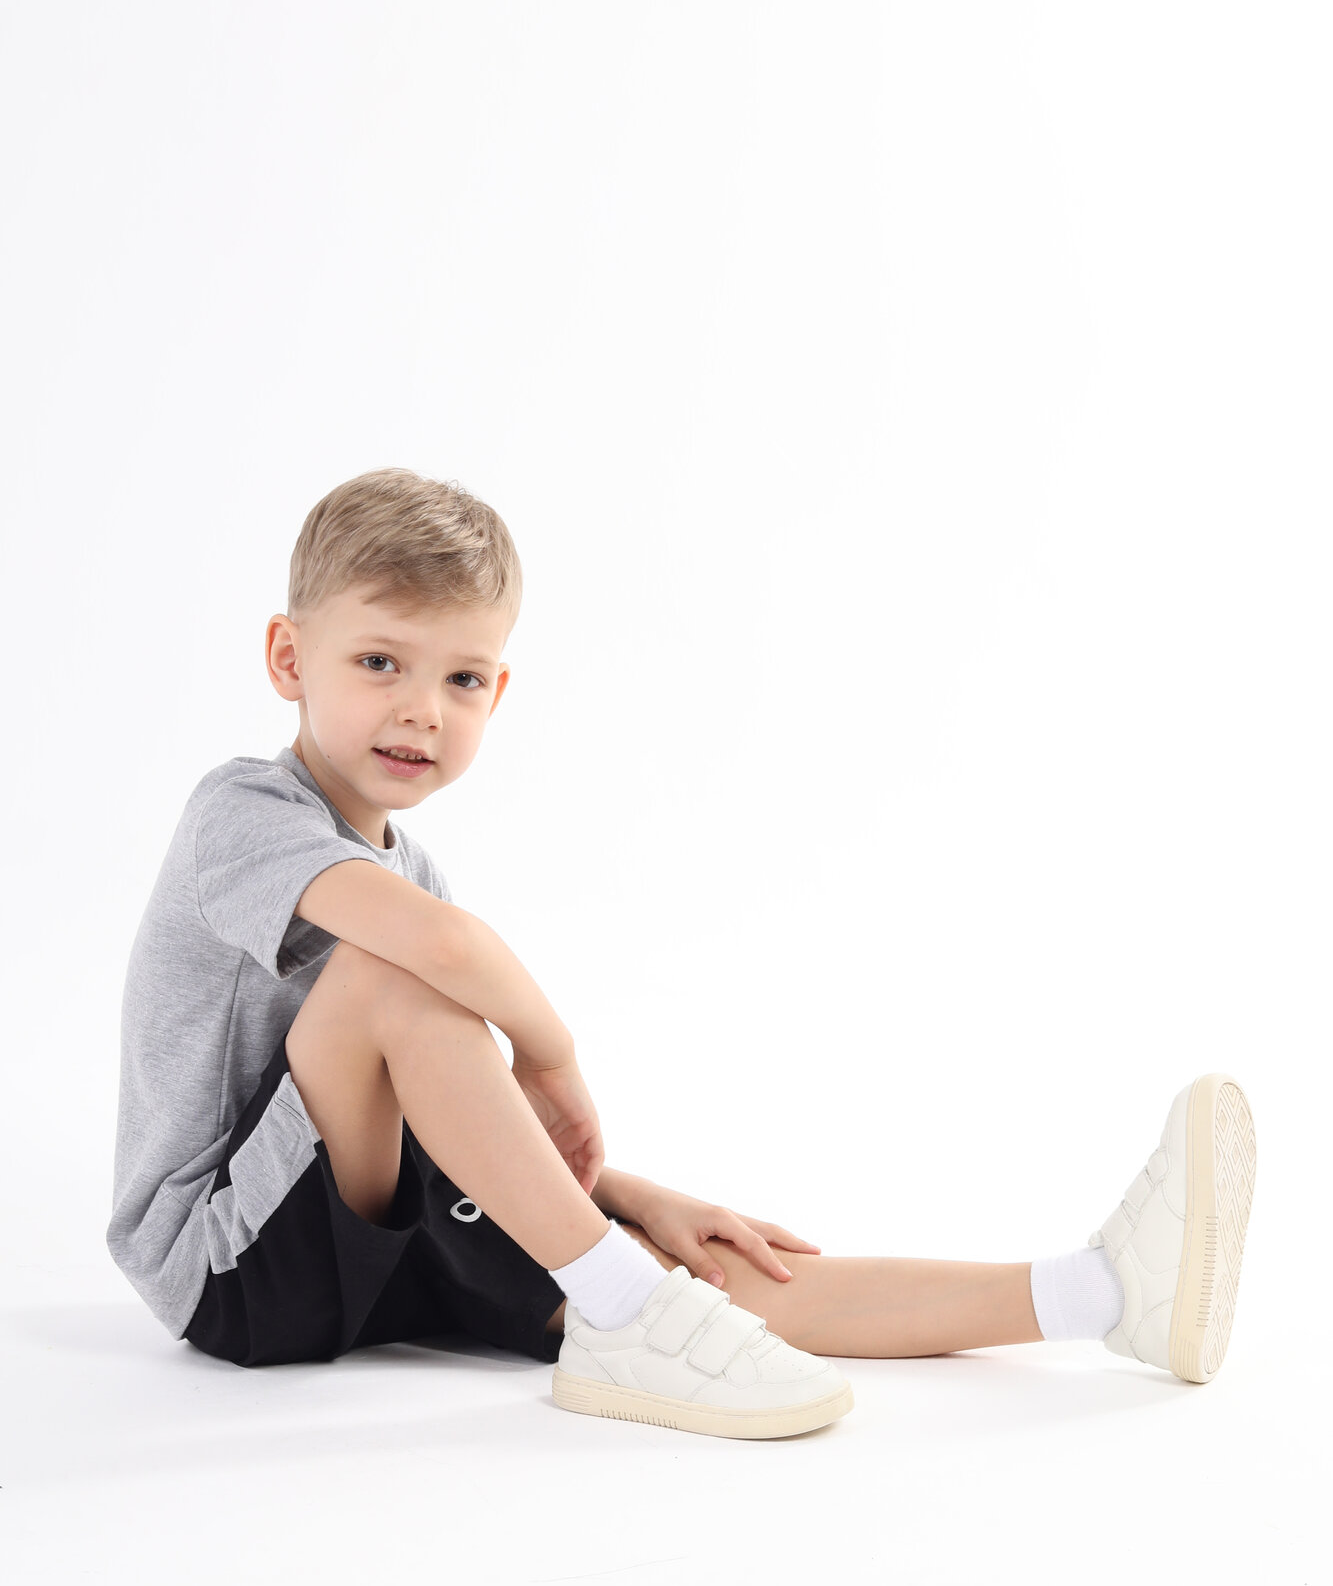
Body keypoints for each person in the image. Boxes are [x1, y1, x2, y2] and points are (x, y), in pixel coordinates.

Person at [106, 467, 1258, 1439]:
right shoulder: (242, 815)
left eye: (461, 678)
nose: (422, 710)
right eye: (378, 663)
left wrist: (625, 1197)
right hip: (225, 1262)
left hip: (364, 1223)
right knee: (398, 972)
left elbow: (454, 1097)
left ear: (497, 690)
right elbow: (438, 955)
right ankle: (625, 1316)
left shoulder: (408, 869)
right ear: (288, 656)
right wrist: (552, 1055)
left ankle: (1101, 1293)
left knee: (714, 1272)